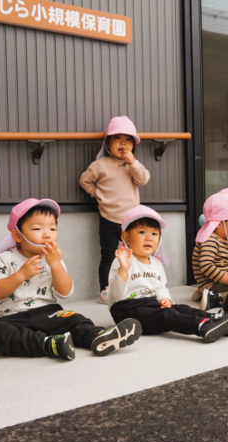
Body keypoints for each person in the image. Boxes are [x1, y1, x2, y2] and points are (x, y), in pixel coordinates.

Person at [0, 198, 142, 360]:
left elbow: (65, 292)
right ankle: (50, 344)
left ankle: (99, 336)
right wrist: (20, 275)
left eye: (53, 228)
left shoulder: (53, 259)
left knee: (75, 319)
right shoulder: (5, 258)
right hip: (13, 318)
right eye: (37, 228)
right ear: (18, 236)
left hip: (49, 314)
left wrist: (55, 265)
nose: (47, 234)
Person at [108, 205, 228, 343]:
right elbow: (115, 295)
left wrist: (164, 298)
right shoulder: (123, 261)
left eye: (154, 234)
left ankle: (217, 319)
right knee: (167, 315)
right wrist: (123, 270)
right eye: (142, 232)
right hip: (127, 311)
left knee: (181, 308)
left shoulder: (156, 263)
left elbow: (160, 287)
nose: (149, 238)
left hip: (151, 305)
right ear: (126, 237)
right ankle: (202, 326)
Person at [80, 116, 151, 304]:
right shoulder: (100, 165)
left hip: (131, 221)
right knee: (108, 255)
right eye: (117, 138)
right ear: (108, 144)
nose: (123, 143)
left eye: (128, 140)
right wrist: (97, 194)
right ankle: (105, 290)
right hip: (108, 218)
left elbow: (144, 179)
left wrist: (133, 162)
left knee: (136, 254)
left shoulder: (133, 166)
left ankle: (137, 286)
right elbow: (84, 181)